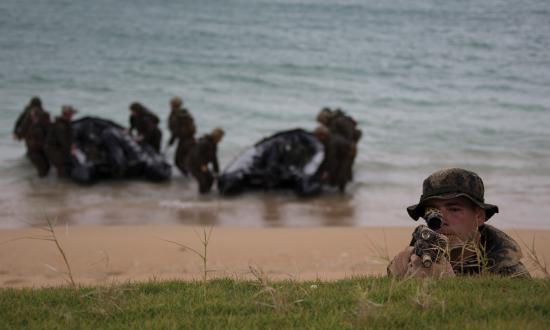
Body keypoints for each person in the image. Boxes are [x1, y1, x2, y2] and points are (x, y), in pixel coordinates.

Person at [387, 168, 530, 278]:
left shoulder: (505, 267)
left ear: (479, 216)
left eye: (454, 209)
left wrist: (444, 282)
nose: (442, 221)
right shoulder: (419, 250)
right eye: (433, 212)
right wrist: (400, 275)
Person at [313, 125, 354, 192]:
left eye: (317, 137)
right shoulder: (328, 139)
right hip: (343, 150)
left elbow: (331, 159)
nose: (317, 139)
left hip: (349, 152)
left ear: (322, 135)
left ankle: (342, 191)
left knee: (342, 171)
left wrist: (327, 172)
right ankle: (337, 185)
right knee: (338, 168)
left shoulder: (331, 143)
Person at [187, 128, 225, 194]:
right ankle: (202, 196)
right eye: (221, 138)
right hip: (193, 164)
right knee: (203, 181)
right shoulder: (204, 142)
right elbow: (196, 155)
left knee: (211, 179)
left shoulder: (214, 145)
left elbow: (214, 159)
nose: (221, 140)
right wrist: (202, 165)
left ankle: (206, 195)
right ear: (217, 137)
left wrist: (217, 171)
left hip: (202, 165)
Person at [167, 97, 196, 175]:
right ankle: (190, 177)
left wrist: (171, 141)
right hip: (191, 140)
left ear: (172, 104)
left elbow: (175, 131)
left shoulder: (175, 115)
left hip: (184, 141)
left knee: (178, 161)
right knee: (185, 161)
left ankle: (188, 177)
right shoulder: (185, 113)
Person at [46, 105, 77, 178]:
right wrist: (71, 148)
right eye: (72, 114)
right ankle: (61, 185)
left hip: (55, 148)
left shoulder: (64, 123)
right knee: (64, 169)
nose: (73, 115)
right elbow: (64, 141)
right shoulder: (61, 126)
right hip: (54, 150)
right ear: (69, 114)